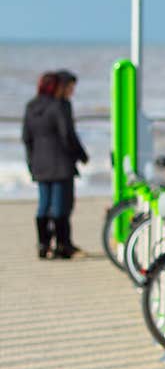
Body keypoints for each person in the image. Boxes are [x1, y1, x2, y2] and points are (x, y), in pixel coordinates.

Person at [21, 69, 89, 259]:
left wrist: (31, 162)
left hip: (39, 163)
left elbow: (26, 137)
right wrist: (81, 155)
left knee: (44, 205)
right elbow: (67, 135)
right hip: (61, 163)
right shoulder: (60, 106)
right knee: (61, 207)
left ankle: (43, 245)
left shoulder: (31, 106)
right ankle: (63, 245)